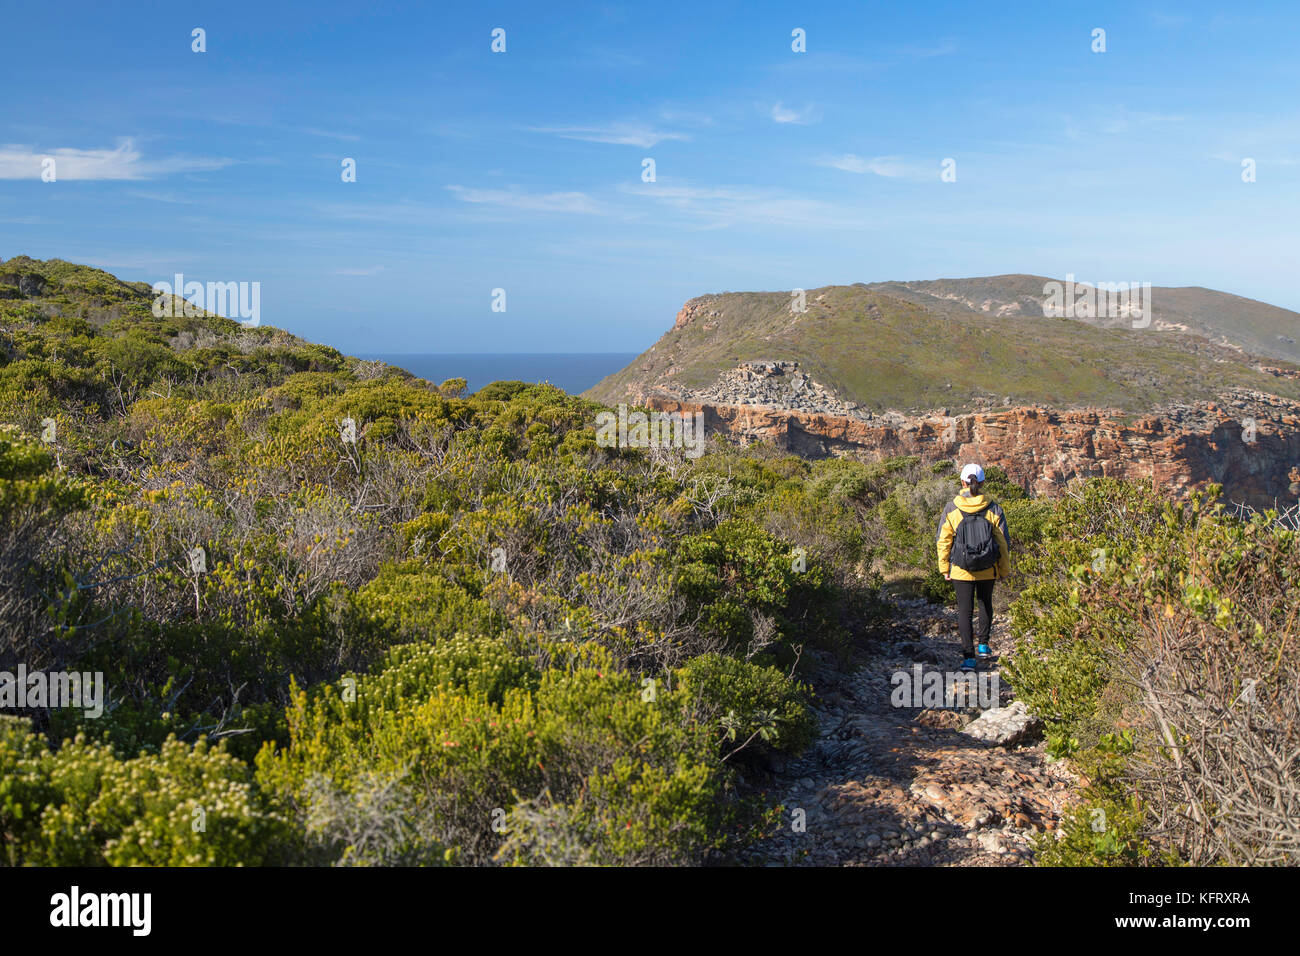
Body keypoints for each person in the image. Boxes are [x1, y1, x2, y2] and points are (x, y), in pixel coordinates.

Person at [936, 463, 1011, 672]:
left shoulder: (952, 508)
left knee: (965, 611)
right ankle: (984, 645)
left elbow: (943, 540)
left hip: (961, 569)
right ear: (983, 483)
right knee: (985, 603)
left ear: (962, 482)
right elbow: (1003, 542)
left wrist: (945, 568)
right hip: (988, 567)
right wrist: (1003, 569)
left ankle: (969, 657)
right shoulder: (993, 508)